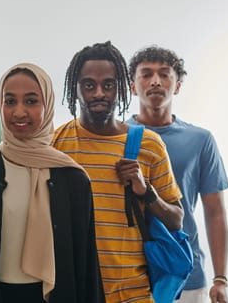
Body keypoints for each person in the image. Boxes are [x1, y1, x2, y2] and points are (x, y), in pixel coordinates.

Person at [0, 63, 105, 303]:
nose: (18, 112)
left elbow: (86, 267)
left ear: (47, 105)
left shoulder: (73, 179)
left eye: (30, 101)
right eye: (9, 101)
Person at [52, 41, 184, 302]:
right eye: (89, 85)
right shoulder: (57, 143)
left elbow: (176, 220)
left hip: (133, 294)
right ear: (75, 89)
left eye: (108, 85)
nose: (99, 93)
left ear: (122, 88)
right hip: (74, 291)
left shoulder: (149, 145)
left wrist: (146, 193)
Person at [127, 46, 228, 303]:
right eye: (146, 74)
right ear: (132, 86)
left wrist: (220, 279)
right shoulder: (117, 137)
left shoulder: (200, 140)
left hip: (185, 272)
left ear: (177, 86)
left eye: (164, 74)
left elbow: (215, 210)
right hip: (128, 272)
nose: (155, 81)